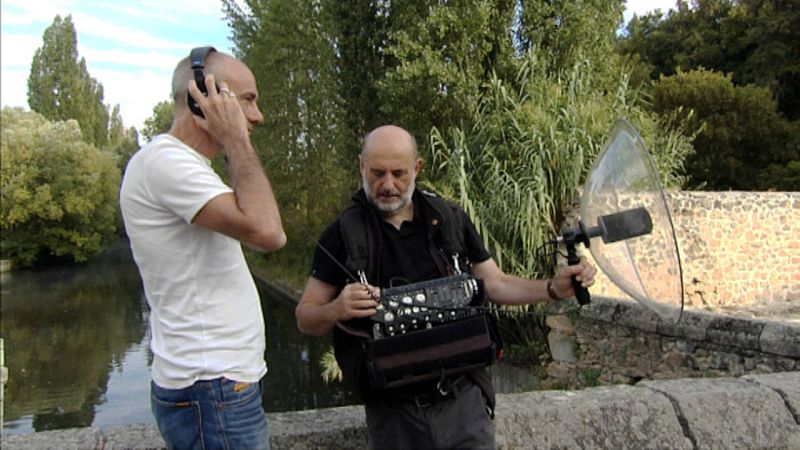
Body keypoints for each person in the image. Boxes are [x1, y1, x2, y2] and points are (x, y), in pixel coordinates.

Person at [295, 124, 597, 449]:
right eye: (377, 173)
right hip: (393, 415)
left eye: (399, 173)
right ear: (361, 167)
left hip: (463, 403)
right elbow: (305, 317)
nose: (388, 185)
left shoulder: (449, 219)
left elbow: (495, 284)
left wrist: (552, 288)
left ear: (417, 168)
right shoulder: (343, 234)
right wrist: (337, 308)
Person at [120, 47, 285, 449]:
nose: (258, 116)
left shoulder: (185, 166)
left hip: (217, 386)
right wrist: (235, 140)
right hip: (211, 388)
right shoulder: (166, 163)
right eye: (248, 100)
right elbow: (269, 232)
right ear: (203, 98)